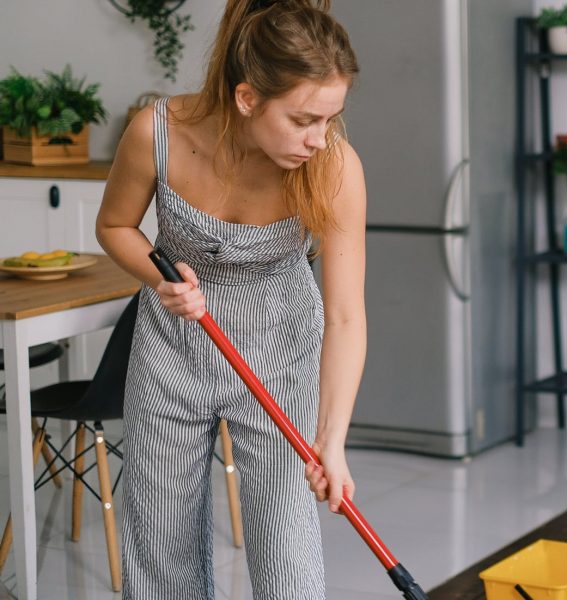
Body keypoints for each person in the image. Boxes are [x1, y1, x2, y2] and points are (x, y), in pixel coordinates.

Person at [95, 0, 364, 597]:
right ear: (247, 99)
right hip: (173, 349)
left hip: (280, 348)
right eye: (302, 120)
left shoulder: (334, 167)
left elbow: (346, 316)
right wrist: (161, 277)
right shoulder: (157, 132)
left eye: (330, 118)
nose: (319, 139)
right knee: (159, 541)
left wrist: (333, 441)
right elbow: (115, 226)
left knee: (285, 546)